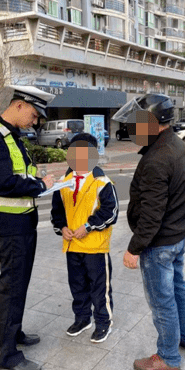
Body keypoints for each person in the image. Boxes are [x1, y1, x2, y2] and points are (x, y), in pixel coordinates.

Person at [113, 94, 185, 370]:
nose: (132, 129)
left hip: (159, 243)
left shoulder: (157, 159)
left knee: (162, 301)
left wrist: (133, 248)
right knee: (178, 289)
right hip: (176, 236)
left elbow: (151, 215)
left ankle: (169, 357)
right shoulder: (174, 144)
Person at [0, 85, 56, 370]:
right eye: (34, 115)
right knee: (11, 287)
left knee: (19, 283)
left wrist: (41, 176)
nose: (34, 122)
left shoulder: (12, 135)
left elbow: (21, 170)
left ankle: (15, 332)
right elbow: (2, 184)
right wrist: (41, 186)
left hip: (23, 221)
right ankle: (8, 355)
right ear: (20, 105)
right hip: (9, 225)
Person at [50, 133, 119, 343]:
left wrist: (88, 226)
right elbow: (57, 211)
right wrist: (61, 227)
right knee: (77, 286)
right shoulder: (63, 182)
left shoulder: (102, 182)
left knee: (100, 288)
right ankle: (82, 319)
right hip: (72, 245)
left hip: (95, 247)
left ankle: (103, 322)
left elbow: (111, 212)